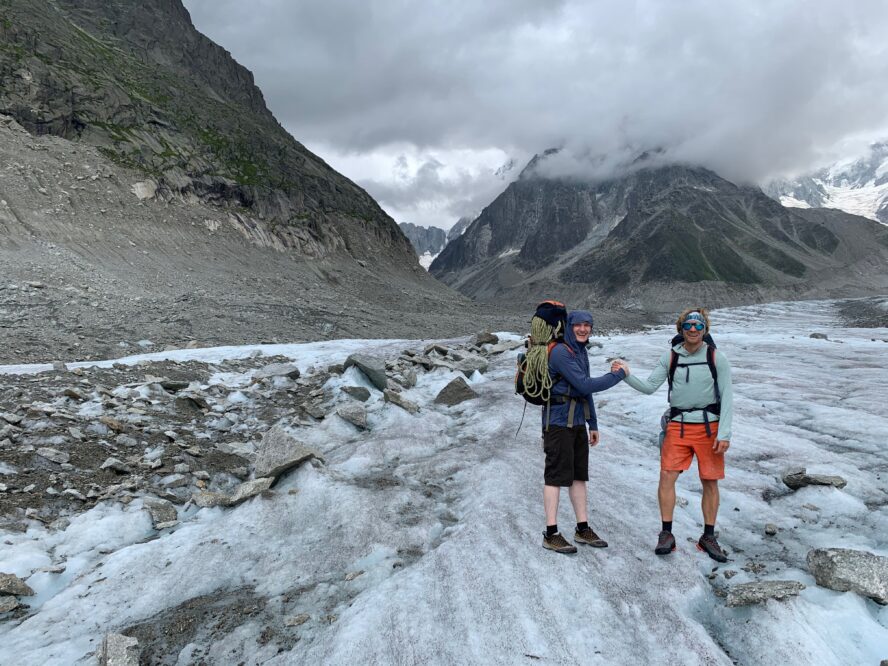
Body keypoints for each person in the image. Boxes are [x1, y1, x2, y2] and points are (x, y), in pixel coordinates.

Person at [613, 308, 733, 562]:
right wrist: (625, 374)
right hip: (677, 426)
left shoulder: (716, 357)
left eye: (698, 326)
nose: (693, 329)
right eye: (688, 325)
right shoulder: (670, 357)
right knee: (667, 476)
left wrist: (725, 433)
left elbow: (728, 396)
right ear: (681, 329)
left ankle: (708, 537)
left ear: (705, 330)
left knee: (710, 481)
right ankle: (667, 534)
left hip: (709, 427)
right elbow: (648, 387)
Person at [542, 310, 626, 554]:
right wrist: (618, 375)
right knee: (555, 477)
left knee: (579, 476)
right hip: (557, 423)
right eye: (578, 325)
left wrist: (593, 423)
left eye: (587, 325)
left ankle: (582, 528)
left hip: (577, 422)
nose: (583, 329)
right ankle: (551, 533)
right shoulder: (559, 352)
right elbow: (585, 385)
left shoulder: (580, 351)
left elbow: (583, 391)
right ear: (569, 326)